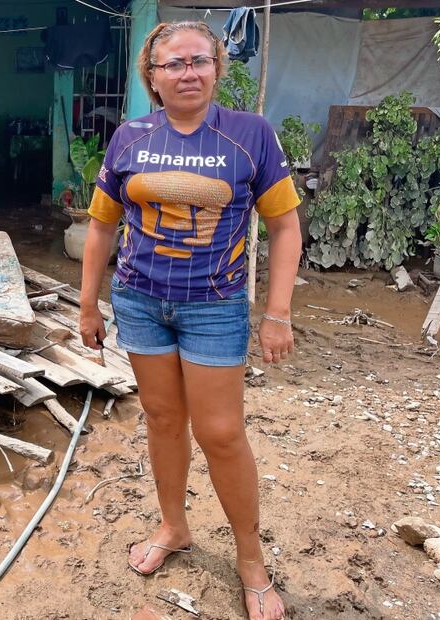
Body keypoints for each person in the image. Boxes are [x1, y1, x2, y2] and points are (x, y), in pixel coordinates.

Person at [78, 21, 302, 620]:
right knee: (162, 418)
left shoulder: (249, 135)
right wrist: (87, 303)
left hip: (215, 306)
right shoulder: (128, 137)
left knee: (222, 433)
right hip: (140, 303)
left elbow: (285, 228)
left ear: (217, 67)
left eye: (199, 60)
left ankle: (250, 560)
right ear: (150, 76)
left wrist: (276, 313)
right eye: (173, 64)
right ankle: (173, 527)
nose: (187, 73)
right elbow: (101, 225)